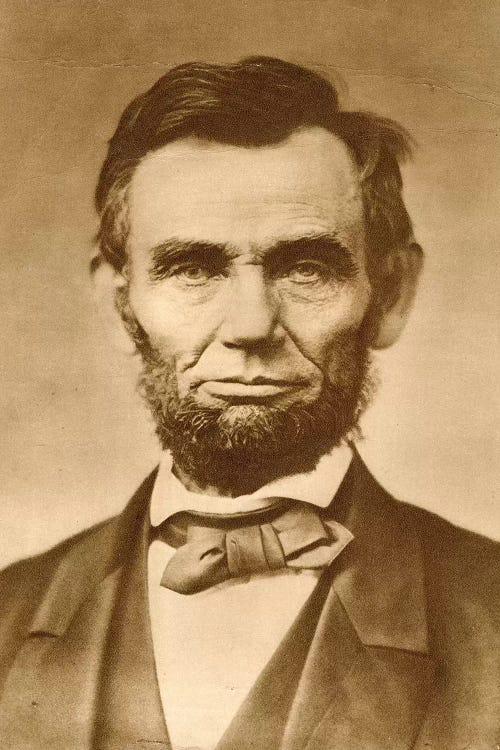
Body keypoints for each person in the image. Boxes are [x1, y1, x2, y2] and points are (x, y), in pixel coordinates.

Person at [0, 56, 498, 750]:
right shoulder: (7, 616)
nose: (249, 326)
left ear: (390, 295)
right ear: (120, 308)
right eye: (193, 269)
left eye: (306, 267)